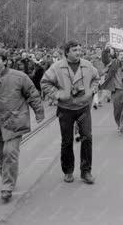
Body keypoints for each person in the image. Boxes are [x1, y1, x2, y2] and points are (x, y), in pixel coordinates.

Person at [0, 48, 45, 201]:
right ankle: (7, 178)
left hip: (15, 121)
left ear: (5, 61)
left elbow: (32, 94)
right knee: (2, 155)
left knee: (10, 153)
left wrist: (39, 112)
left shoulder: (19, 77)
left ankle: (7, 186)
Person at [41, 41, 99, 184]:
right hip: (65, 109)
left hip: (83, 107)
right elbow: (45, 83)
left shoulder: (87, 65)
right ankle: (68, 171)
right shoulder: (57, 67)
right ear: (67, 52)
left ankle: (86, 171)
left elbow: (96, 79)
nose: (78, 52)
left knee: (87, 138)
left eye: (79, 50)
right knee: (67, 141)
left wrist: (92, 90)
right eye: (74, 50)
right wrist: (58, 95)